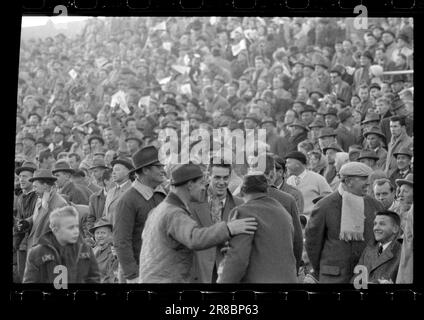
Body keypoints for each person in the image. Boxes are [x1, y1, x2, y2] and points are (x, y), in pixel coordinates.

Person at [138, 163, 257, 283]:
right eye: (201, 183)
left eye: (225, 177)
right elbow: (195, 238)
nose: (203, 188)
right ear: (190, 185)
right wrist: (229, 228)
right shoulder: (174, 213)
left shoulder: (159, 210)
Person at [305, 162, 384, 283]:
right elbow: (313, 245)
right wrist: (322, 269)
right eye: (363, 178)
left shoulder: (375, 205)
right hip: (332, 277)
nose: (368, 182)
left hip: (366, 277)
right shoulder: (324, 206)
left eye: (368, 178)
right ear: (348, 181)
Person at [217, 172, 298, 283]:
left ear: (242, 191)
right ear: (266, 190)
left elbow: (238, 258)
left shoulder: (242, 212)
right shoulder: (283, 212)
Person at [113, 146, 167, 283]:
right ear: (145, 170)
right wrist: (132, 276)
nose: (163, 170)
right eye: (158, 166)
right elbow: (121, 242)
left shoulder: (163, 195)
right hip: (140, 274)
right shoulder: (127, 200)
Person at [189, 160, 244, 283]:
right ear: (208, 176)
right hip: (198, 271)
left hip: (226, 271)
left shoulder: (240, 204)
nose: (222, 182)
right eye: (217, 177)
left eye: (225, 178)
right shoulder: (191, 202)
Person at [23, 206, 100, 283]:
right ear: (56, 230)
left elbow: (94, 278)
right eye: (70, 228)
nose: (76, 231)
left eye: (77, 226)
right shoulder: (36, 253)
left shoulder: (85, 249)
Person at [354, 210, 402, 284]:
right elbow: (356, 278)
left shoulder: (402, 253)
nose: (376, 228)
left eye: (382, 224)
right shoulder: (369, 249)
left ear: (395, 229)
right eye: (375, 224)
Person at [13, 161, 39, 282]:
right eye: (20, 176)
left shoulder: (39, 197)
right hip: (22, 245)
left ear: (34, 179)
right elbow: (18, 222)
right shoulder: (20, 198)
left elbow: (37, 219)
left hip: (35, 244)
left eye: (25, 176)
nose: (21, 179)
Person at [286, 151, 332, 215]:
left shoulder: (318, 178)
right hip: (295, 220)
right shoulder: (289, 181)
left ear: (298, 164)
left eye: (288, 163)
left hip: (313, 220)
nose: (286, 165)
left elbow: (329, 197)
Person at [103, 156, 133, 224]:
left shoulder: (133, 190)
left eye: (117, 169)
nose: (113, 172)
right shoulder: (111, 191)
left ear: (128, 172)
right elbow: (104, 215)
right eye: (113, 170)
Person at [89, 217, 119, 283]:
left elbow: (113, 278)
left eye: (103, 233)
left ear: (110, 235)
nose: (99, 236)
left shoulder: (114, 253)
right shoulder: (92, 250)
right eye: (97, 233)